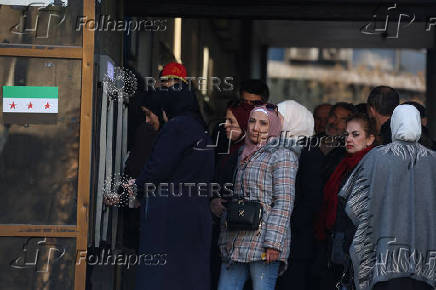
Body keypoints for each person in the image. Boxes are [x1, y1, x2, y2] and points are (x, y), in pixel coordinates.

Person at [133, 63, 215, 290]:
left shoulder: (177, 128)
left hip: (173, 218)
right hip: (196, 215)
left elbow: (157, 169)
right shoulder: (200, 129)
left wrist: (134, 188)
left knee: (164, 278)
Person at [339, 105, 436, 290]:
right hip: (427, 261)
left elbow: (353, 205)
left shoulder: (376, 158)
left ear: (394, 125)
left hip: (383, 260)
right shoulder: (433, 161)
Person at [217, 104, 298, 290]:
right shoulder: (243, 152)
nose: (255, 127)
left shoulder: (282, 155)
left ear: (274, 127)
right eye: (252, 121)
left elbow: (284, 202)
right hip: (236, 239)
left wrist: (273, 244)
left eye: (263, 123)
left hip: (263, 242)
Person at [315, 113, 376, 289]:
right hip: (337, 237)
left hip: (357, 243)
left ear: (370, 139)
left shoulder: (372, 166)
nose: (348, 139)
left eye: (355, 135)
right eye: (347, 134)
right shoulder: (344, 163)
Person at [273, 100, 319, 290]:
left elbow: (312, 199)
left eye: (280, 118)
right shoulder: (276, 147)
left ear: (294, 120)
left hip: (297, 243)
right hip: (279, 239)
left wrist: (285, 224)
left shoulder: (308, 152)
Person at [210, 100, 255, 290]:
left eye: (231, 122)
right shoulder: (230, 150)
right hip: (225, 229)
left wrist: (225, 203)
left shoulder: (249, 154)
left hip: (241, 233)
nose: (225, 126)